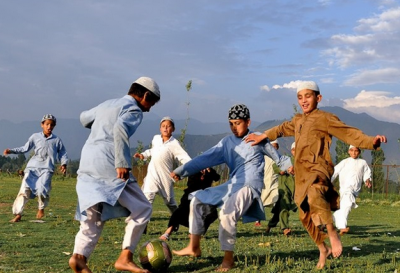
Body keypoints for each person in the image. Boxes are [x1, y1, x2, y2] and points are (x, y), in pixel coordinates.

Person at [245, 81, 387, 269]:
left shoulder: (325, 118)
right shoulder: (297, 121)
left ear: (318, 98)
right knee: (305, 216)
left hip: (319, 169)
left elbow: (349, 133)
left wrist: (371, 141)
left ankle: (332, 233)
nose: (303, 101)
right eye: (300, 97)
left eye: (308, 96)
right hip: (302, 174)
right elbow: (281, 129)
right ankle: (323, 248)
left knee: (315, 193)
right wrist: (263, 136)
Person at [171, 104, 293, 272]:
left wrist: (288, 166)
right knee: (197, 199)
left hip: (250, 185)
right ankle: (194, 247)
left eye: (238, 123)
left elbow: (277, 157)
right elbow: (205, 158)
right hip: (233, 184)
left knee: (228, 212)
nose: (234, 127)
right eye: (231, 124)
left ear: (248, 121)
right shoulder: (227, 143)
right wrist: (182, 171)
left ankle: (228, 260)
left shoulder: (257, 138)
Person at [68, 76, 161, 273]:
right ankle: (125, 257)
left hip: (87, 163)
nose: (149, 108)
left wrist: (101, 121)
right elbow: (120, 128)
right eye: (151, 102)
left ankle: (79, 258)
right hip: (109, 164)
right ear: (145, 95)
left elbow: (84, 118)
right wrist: (122, 162)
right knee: (143, 208)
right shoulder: (134, 109)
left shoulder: (106, 104)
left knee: (93, 217)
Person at [3, 114, 68, 223]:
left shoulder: (57, 140)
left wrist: (64, 164)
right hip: (32, 168)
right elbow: (25, 148)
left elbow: (62, 153)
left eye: (52, 125)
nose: (49, 127)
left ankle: (41, 208)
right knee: (24, 189)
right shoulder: (35, 137)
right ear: (42, 125)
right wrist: (11, 151)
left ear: (54, 126)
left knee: (42, 189)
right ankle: (18, 214)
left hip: (47, 169)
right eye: (47, 124)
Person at [134, 116, 191, 214]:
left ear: (173, 129)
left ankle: (177, 218)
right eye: (163, 126)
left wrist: (195, 166)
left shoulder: (174, 143)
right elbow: (152, 150)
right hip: (152, 175)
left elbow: (184, 157)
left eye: (168, 126)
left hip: (165, 177)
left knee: (170, 202)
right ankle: (143, 225)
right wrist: (143, 155)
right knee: (147, 198)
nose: (165, 128)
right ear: (160, 128)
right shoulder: (156, 139)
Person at [159, 167, 221, 241]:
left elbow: (217, 178)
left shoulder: (210, 170)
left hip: (204, 196)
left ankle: (196, 233)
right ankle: (167, 233)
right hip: (190, 195)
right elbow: (191, 183)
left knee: (211, 214)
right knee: (180, 212)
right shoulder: (194, 169)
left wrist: (210, 172)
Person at [331, 145, 372, 235]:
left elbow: (367, 173)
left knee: (345, 208)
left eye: (356, 151)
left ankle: (326, 221)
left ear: (359, 152)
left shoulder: (363, 162)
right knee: (348, 204)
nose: (354, 153)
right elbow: (335, 172)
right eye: (352, 150)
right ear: (349, 151)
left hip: (355, 191)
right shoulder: (344, 162)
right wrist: (328, 182)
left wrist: (367, 180)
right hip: (345, 189)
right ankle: (342, 227)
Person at [265, 141, 297, 236]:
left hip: (297, 190)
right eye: (295, 150)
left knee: (278, 212)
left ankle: (270, 225)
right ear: (292, 151)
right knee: (284, 207)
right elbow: (275, 166)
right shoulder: (286, 160)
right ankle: (285, 228)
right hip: (285, 188)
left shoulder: (303, 161)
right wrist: (282, 171)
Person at [254, 140, 280, 227]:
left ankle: (275, 219)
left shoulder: (279, 158)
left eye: (275, 146)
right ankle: (257, 220)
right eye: (272, 146)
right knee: (262, 201)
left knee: (277, 199)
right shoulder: (263, 157)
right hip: (264, 183)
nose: (274, 148)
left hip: (275, 182)